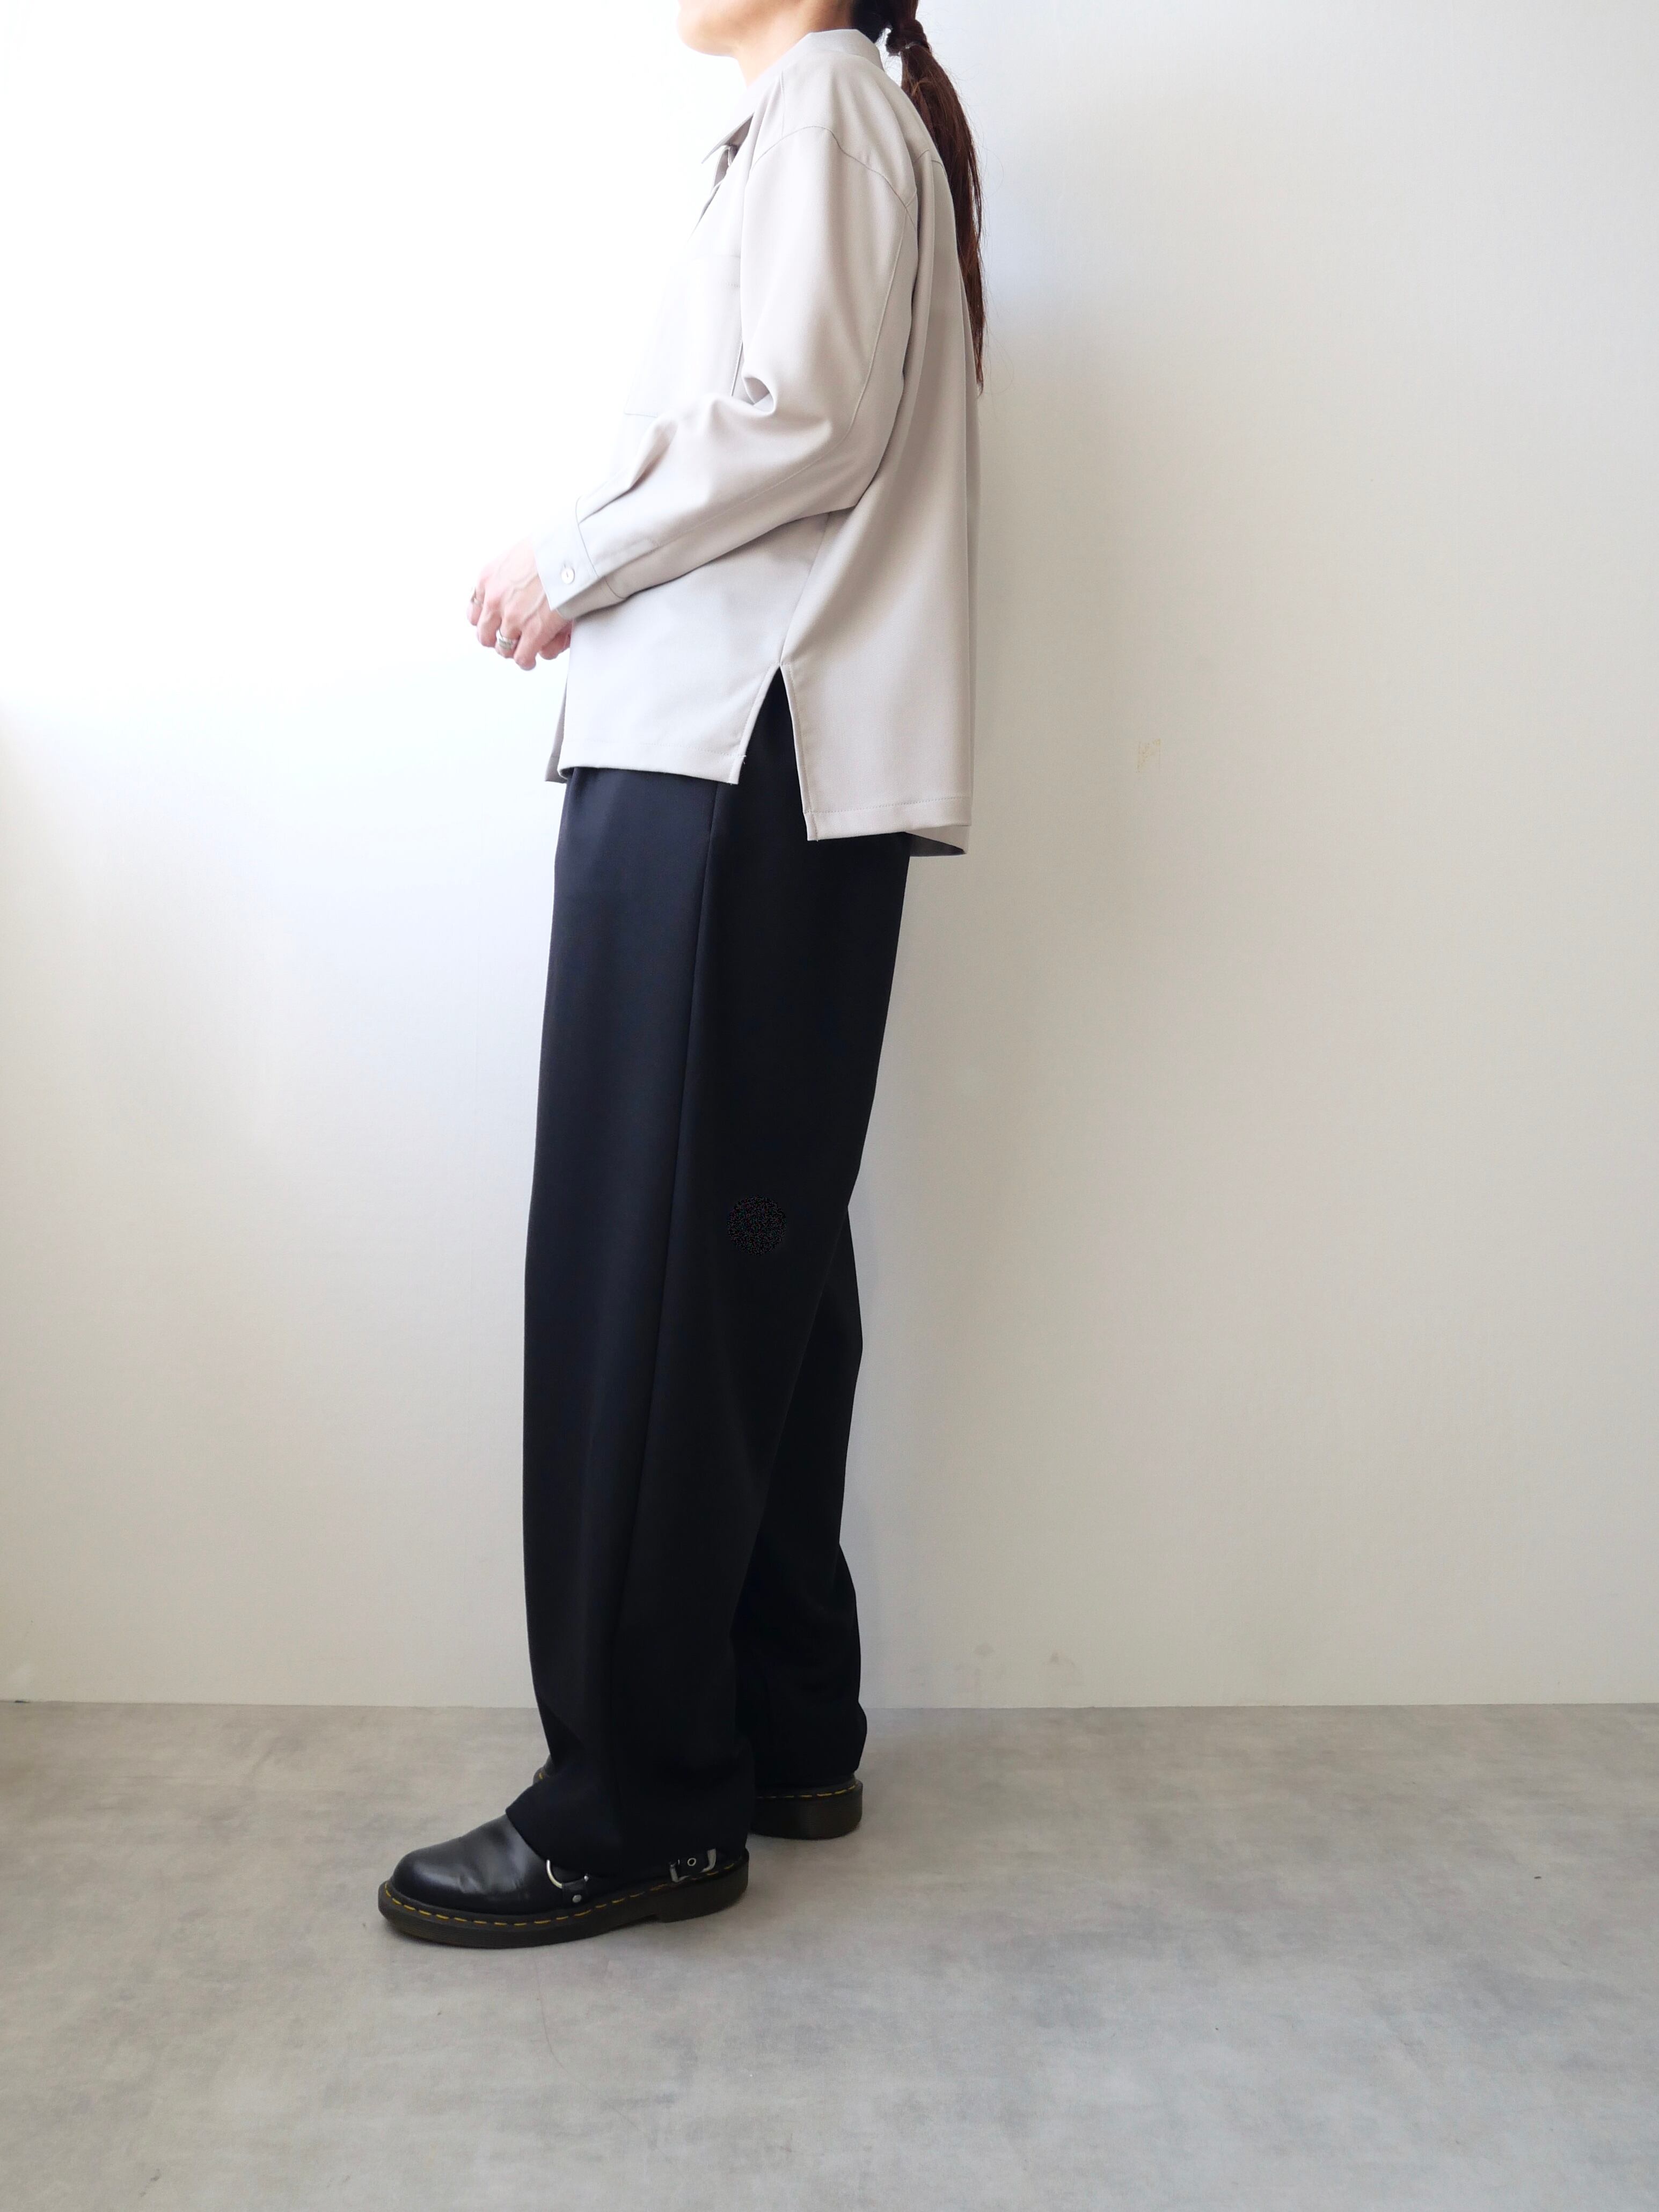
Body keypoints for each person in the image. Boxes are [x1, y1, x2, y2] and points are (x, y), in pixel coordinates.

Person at [379, 0, 983, 1949]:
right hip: (764, 758)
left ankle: (636, 1806)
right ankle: (778, 1723)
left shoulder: (819, 109)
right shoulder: (833, 114)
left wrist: (566, 552)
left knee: (651, 1268)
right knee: (750, 1257)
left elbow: (805, 418)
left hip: (727, 754)